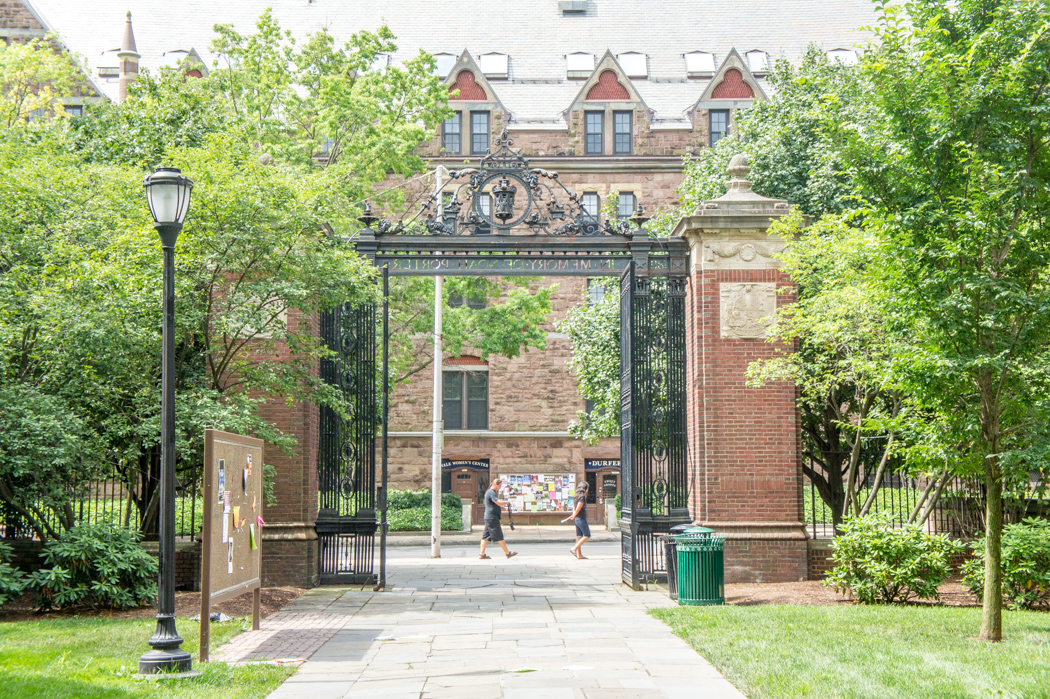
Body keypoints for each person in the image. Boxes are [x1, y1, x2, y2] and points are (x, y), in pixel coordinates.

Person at [479, 477, 518, 560]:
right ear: (495, 484)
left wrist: (502, 508)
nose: (500, 487)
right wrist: (507, 502)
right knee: (499, 536)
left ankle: (482, 554)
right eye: (499, 486)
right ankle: (508, 553)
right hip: (492, 518)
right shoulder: (491, 492)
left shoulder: (490, 492)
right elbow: (498, 502)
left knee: (485, 537)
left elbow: (494, 504)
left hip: (489, 517)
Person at [562, 481, 591, 559]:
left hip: (576, 519)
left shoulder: (575, 496)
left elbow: (574, 508)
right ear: (585, 489)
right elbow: (579, 507)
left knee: (579, 536)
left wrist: (573, 515)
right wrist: (574, 514)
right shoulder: (582, 497)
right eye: (587, 488)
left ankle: (579, 555)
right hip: (581, 518)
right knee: (587, 536)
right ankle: (574, 548)